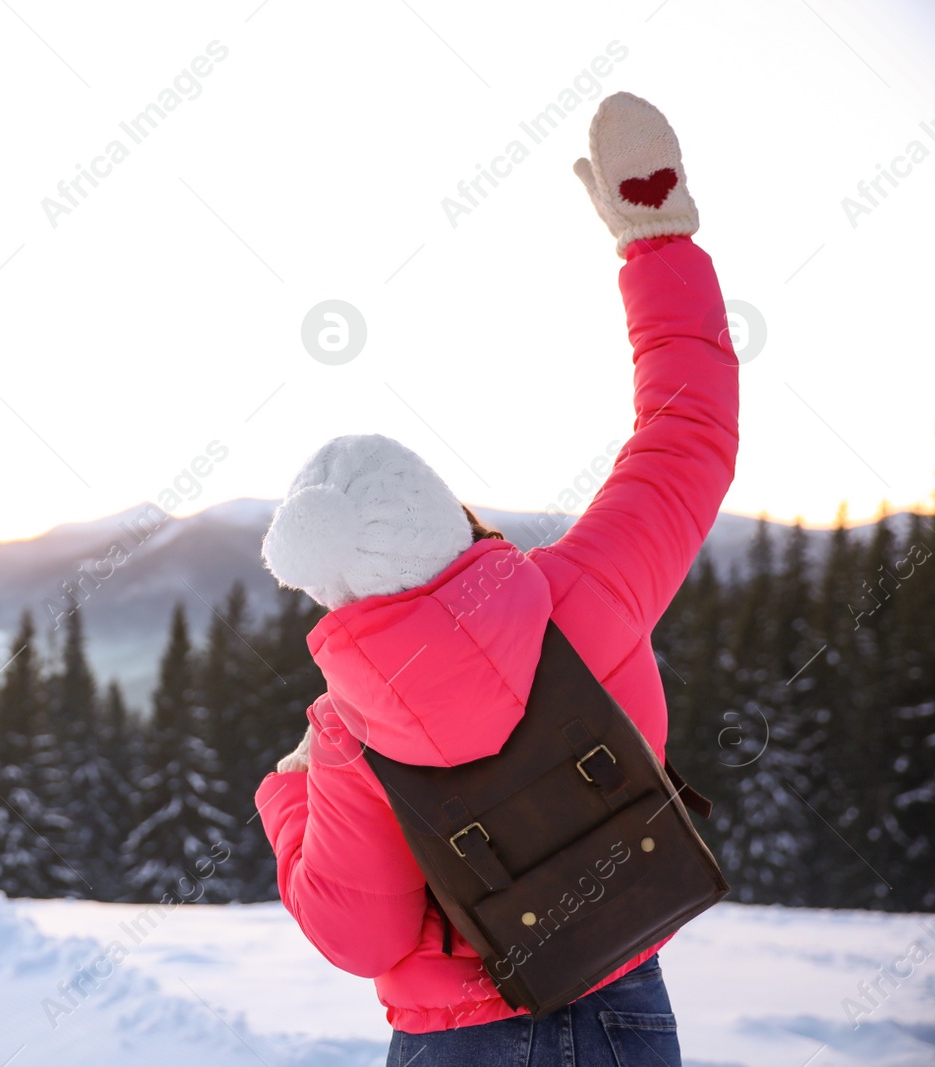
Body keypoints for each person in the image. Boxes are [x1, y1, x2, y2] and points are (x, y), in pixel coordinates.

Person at [253, 92, 740, 1066]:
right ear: (452, 515)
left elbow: (360, 937)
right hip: (619, 1002)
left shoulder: (349, 732)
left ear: (334, 594)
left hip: (454, 1040)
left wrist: (286, 796)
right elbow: (688, 433)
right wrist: (657, 243)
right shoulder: (588, 588)